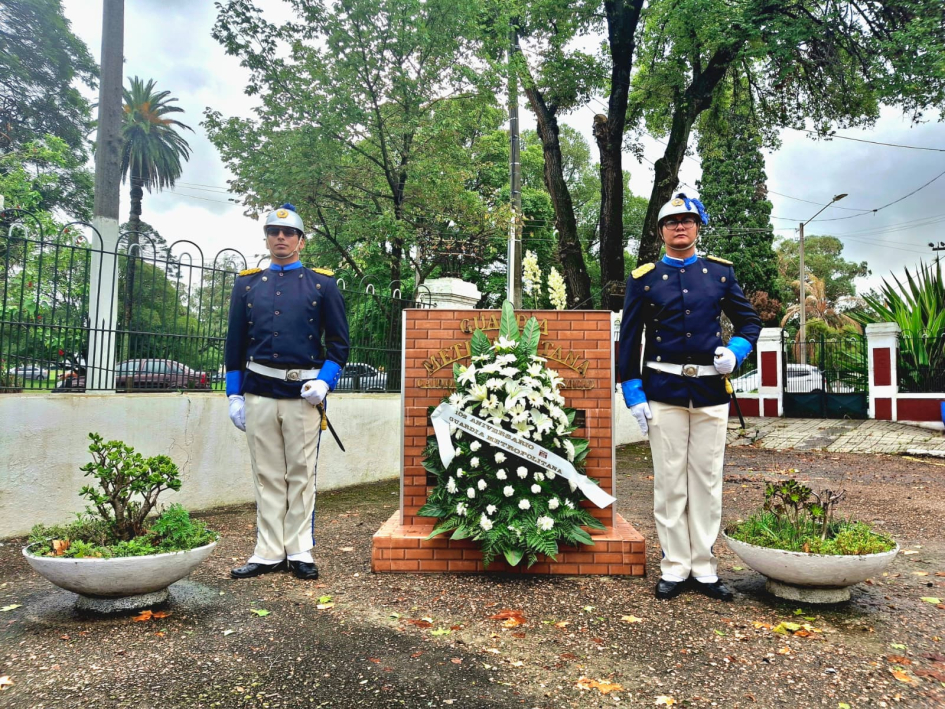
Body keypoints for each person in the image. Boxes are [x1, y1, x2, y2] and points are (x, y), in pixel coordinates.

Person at [619, 192, 762, 601]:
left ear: (697, 227)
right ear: (661, 231)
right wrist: (633, 390)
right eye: (671, 222)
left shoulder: (719, 274)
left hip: (709, 391)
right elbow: (629, 339)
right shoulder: (643, 278)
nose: (679, 227)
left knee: (706, 480)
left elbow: (750, 321)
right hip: (662, 390)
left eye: (686, 220)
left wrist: (735, 351)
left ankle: (704, 566)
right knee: (669, 481)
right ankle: (674, 565)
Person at [225, 203, 349, 581]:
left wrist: (325, 381)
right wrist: (234, 395)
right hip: (259, 391)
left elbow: (340, 344)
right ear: (266, 238)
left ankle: (298, 549)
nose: (281, 238)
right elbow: (234, 345)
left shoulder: (321, 284)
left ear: (301, 241)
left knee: (299, 474)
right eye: (274, 233)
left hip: (303, 394)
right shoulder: (246, 285)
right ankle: (267, 551)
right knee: (267, 475)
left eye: (289, 233)